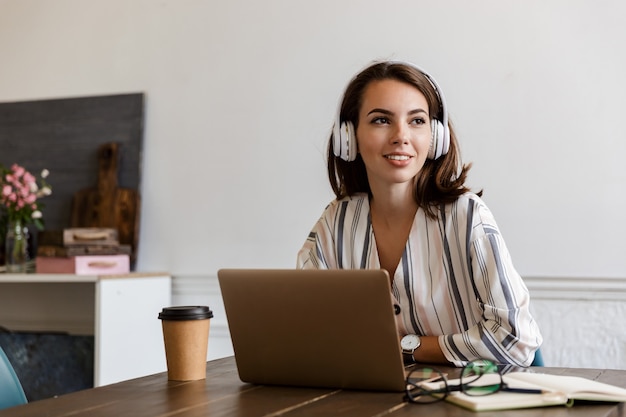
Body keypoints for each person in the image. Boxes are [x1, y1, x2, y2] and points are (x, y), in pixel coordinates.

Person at [296, 60, 542, 367]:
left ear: (435, 138)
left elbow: (516, 340)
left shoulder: (466, 217)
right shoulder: (335, 224)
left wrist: (406, 348)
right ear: (349, 135)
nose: (401, 136)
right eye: (381, 120)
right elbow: (308, 332)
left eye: (416, 121)